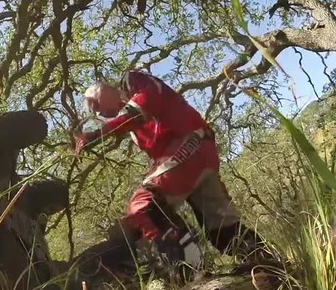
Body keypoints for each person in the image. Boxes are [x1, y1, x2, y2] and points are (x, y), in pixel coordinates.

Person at [74, 70, 267, 269]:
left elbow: (138, 111)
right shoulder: (134, 131)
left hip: (191, 144)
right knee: (220, 228)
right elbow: (158, 154)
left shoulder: (132, 81)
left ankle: (187, 270)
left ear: (105, 90)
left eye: (95, 105)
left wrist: (97, 135)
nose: (98, 114)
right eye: (93, 112)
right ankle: (271, 264)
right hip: (199, 158)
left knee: (143, 206)